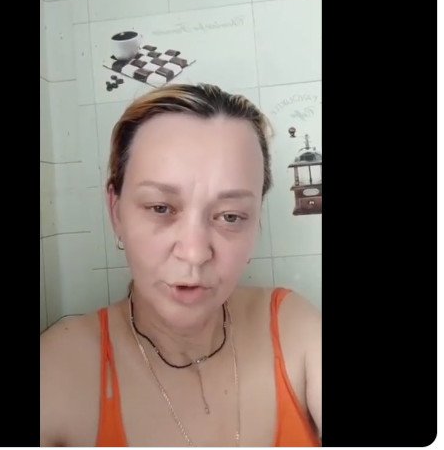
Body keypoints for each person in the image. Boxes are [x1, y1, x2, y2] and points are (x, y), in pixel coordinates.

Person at [40, 83, 321, 446]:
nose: (195, 252)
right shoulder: (57, 371)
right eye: (161, 208)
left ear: (256, 222)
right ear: (116, 211)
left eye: (231, 216)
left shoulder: (294, 330)